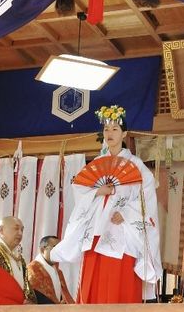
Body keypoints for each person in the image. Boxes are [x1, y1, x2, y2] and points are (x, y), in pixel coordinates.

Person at [50, 104, 162, 303]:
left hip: (123, 234)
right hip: (96, 232)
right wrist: (97, 192)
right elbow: (80, 190)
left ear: (124, 133)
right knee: (93, 284)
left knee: (120, 286)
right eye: (106, 129)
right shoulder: (95, 164)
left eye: (115, 129)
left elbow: (147, 199)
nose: (109, 133)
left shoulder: (137, 166)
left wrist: (126, 213)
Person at [0, 216, 36, 304]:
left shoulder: (18, 256)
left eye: (22, 230)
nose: (20, 233)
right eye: (16, 229)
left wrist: (28, 301)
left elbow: (25, 285)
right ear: (1, 230)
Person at [27, 236, 74, 304]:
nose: (59, 252)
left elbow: (63, 297)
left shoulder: (59, 272)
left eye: (60, 248)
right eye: (55, 247)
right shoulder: (33, 269)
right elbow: (34, 297)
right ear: (43, 250)